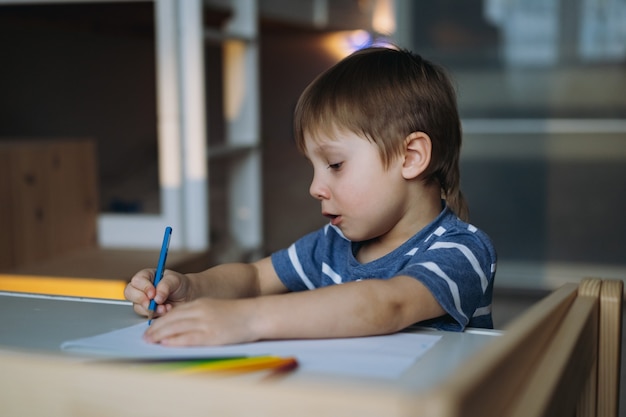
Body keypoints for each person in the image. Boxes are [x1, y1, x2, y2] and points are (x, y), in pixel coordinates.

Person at [125, 46, 497, 347]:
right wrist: (191, 287)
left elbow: (386, 304)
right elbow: (254, 278)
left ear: (411, 157)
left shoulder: (461, 251)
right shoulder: (331, 245)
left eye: (335, 164)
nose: (314, 187)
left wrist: (249, 318)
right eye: (313, 167)